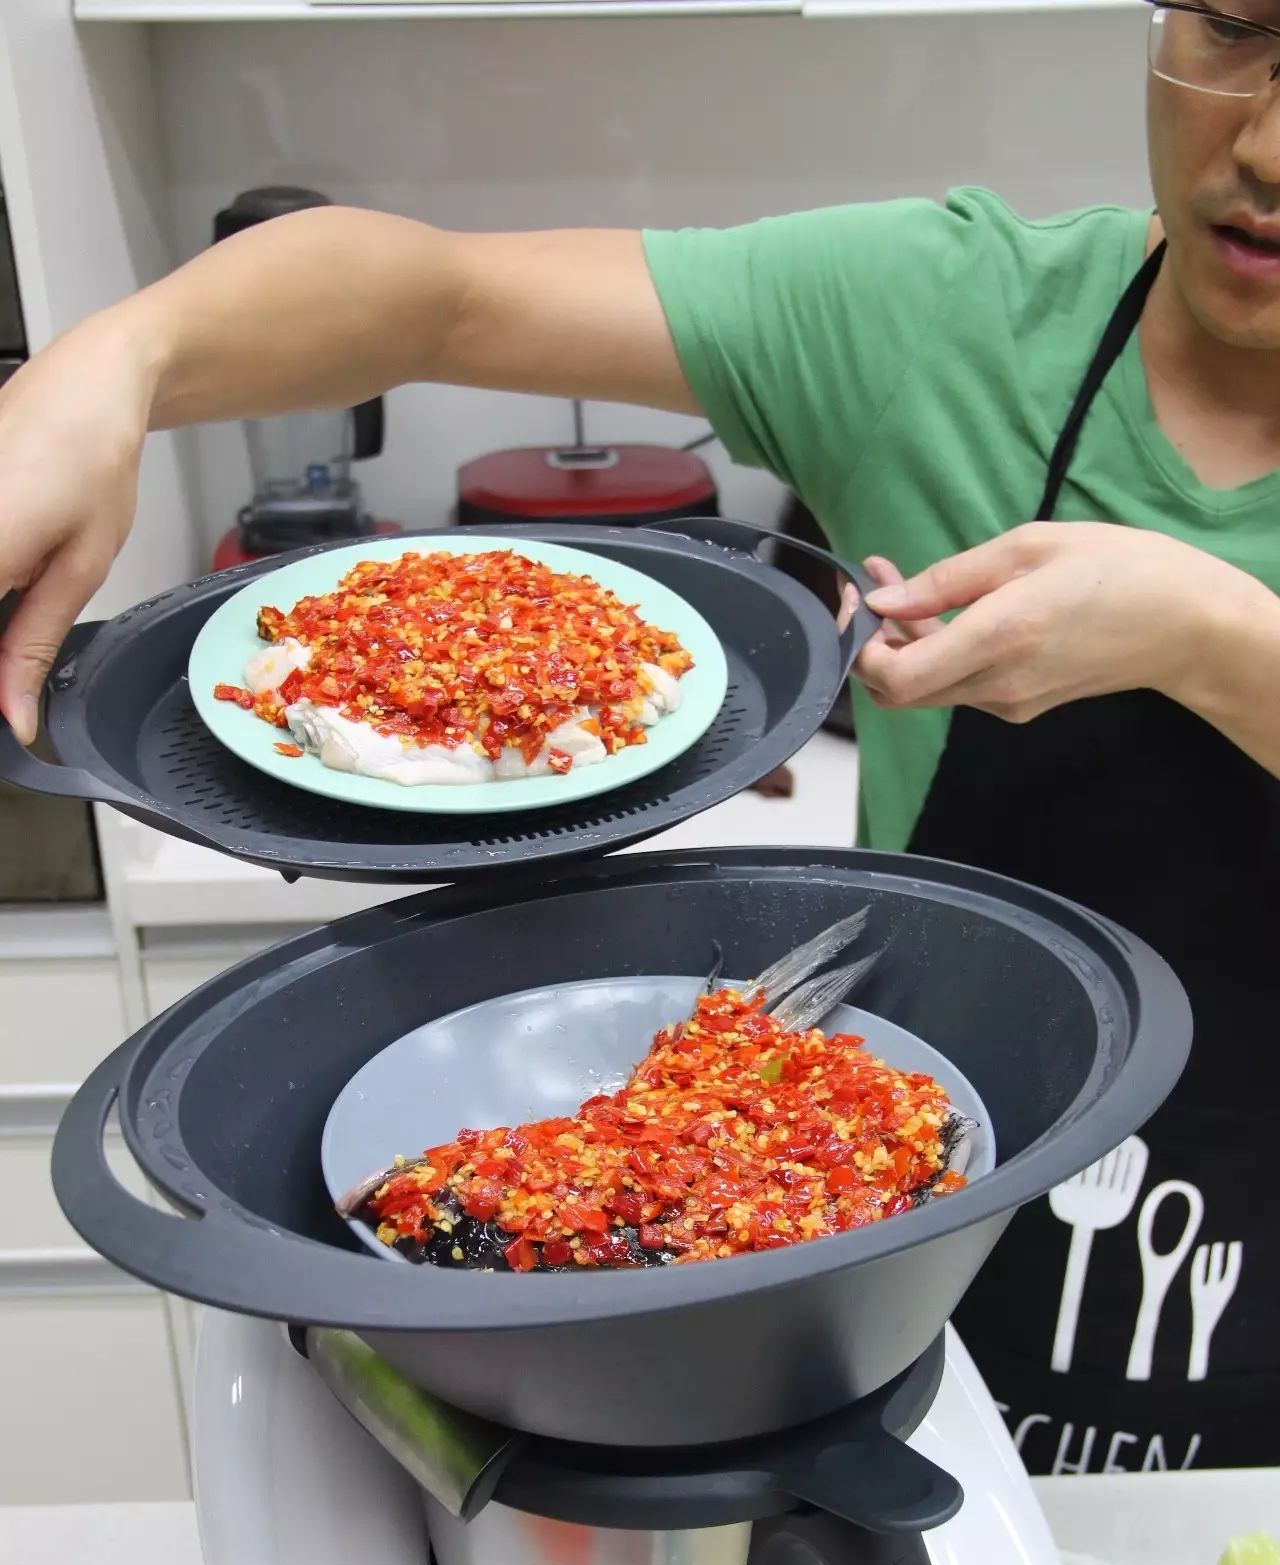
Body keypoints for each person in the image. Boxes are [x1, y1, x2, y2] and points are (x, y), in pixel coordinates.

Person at [0, 0, 1277, 1470]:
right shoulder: (960, 317)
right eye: (1236, 25)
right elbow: (432, 296)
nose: (1264, 146)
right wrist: (116, 361)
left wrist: (1211, 638)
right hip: (887, 1215)